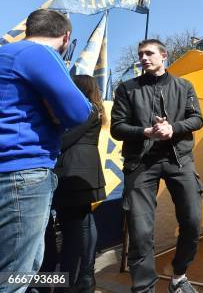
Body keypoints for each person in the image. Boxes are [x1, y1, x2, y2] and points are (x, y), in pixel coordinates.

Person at [0, 9, 91, 291]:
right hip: (22, 172)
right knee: (16, 275)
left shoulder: (7, 54)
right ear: (66, 37)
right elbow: (79, 111)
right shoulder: (39, 54)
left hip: (10, 172)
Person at [111, 39, 203, 293]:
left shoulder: (184, 86)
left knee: (193, 221)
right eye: (140, 54)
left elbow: (197, 118)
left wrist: (173, 127)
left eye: (149, 53)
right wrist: (146, 132)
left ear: (164, 56)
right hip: (140, 163)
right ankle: (143, 288)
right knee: (140, 232)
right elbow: (117, 127)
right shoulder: (126, 89)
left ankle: (179, 277)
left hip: (179, 160)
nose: (143, 58)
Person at [53, 75, 107, 292]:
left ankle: (73, 281)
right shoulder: (92, 108)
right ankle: (84, 276)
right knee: (83, 224)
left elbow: (64, 139)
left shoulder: (85, 108)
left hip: (75, 173)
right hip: (79, 172)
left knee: (75, 230)